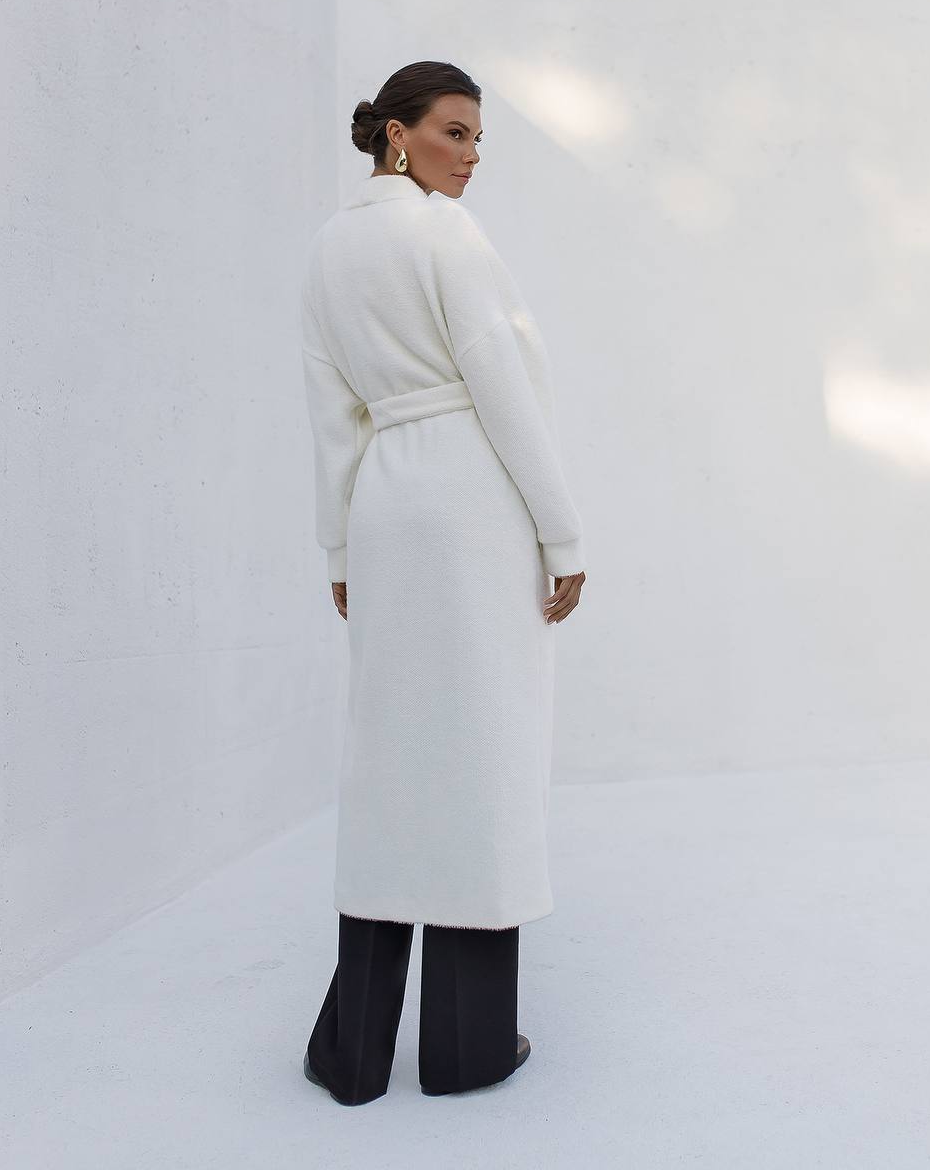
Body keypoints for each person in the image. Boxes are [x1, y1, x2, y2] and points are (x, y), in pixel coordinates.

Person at [299, 60, 587, 1105]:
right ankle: (467, 1046)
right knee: (479, 751)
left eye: (476, 138)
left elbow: (331, 411)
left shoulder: (329, 248)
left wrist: (340, 549)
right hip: (470, 501)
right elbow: (504, 384)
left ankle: (354, 1051)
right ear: (397, 135)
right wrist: (560, 530)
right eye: (453, 132)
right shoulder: (446, 235)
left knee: (389, 756)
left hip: (385, 502)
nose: (469, 156)